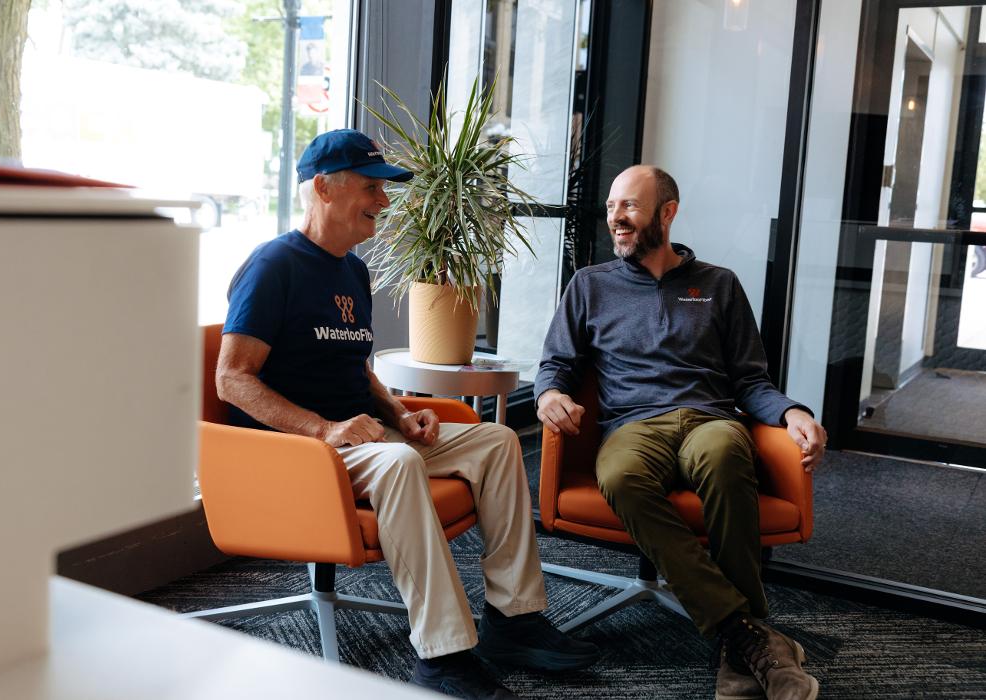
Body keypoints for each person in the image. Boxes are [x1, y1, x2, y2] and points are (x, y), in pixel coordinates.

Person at [217, 129, 599, 699]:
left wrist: (399, 413)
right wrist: (325, 429)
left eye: (384, 188)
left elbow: (355, 366)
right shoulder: (273, 266)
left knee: (495, 441)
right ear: (323, 188)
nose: (385, 200)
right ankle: (443, 657)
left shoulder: (352, 271)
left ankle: (514, 619)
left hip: (364, 439)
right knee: (399, 464)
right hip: (299, 451)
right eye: (371, 187)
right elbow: (231, 378)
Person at [535, 165, 826, 700]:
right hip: (633, 425)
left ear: (667, 213)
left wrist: (792, 414)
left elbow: (750, 380)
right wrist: (549, 395)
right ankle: (747, 636)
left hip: (709, 419)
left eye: (629, 206)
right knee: (619, 477)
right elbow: (556, 364)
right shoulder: (591, 285)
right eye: (611, 207)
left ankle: (739, 650)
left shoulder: (719, 284)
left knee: (724, 456)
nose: (616, 218)